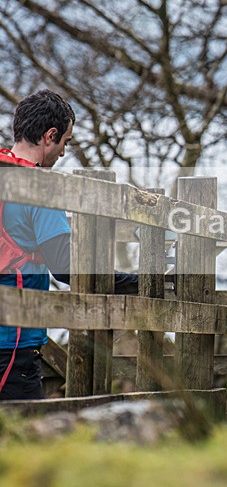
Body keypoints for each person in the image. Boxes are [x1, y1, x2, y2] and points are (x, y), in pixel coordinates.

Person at [0, 89, 137, 400]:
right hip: (12, 342)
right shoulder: (40, 187)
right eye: (66, 142)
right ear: (51, 136)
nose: (63, 153)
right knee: (20, 439)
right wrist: (135, 281)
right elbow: (67, 268)